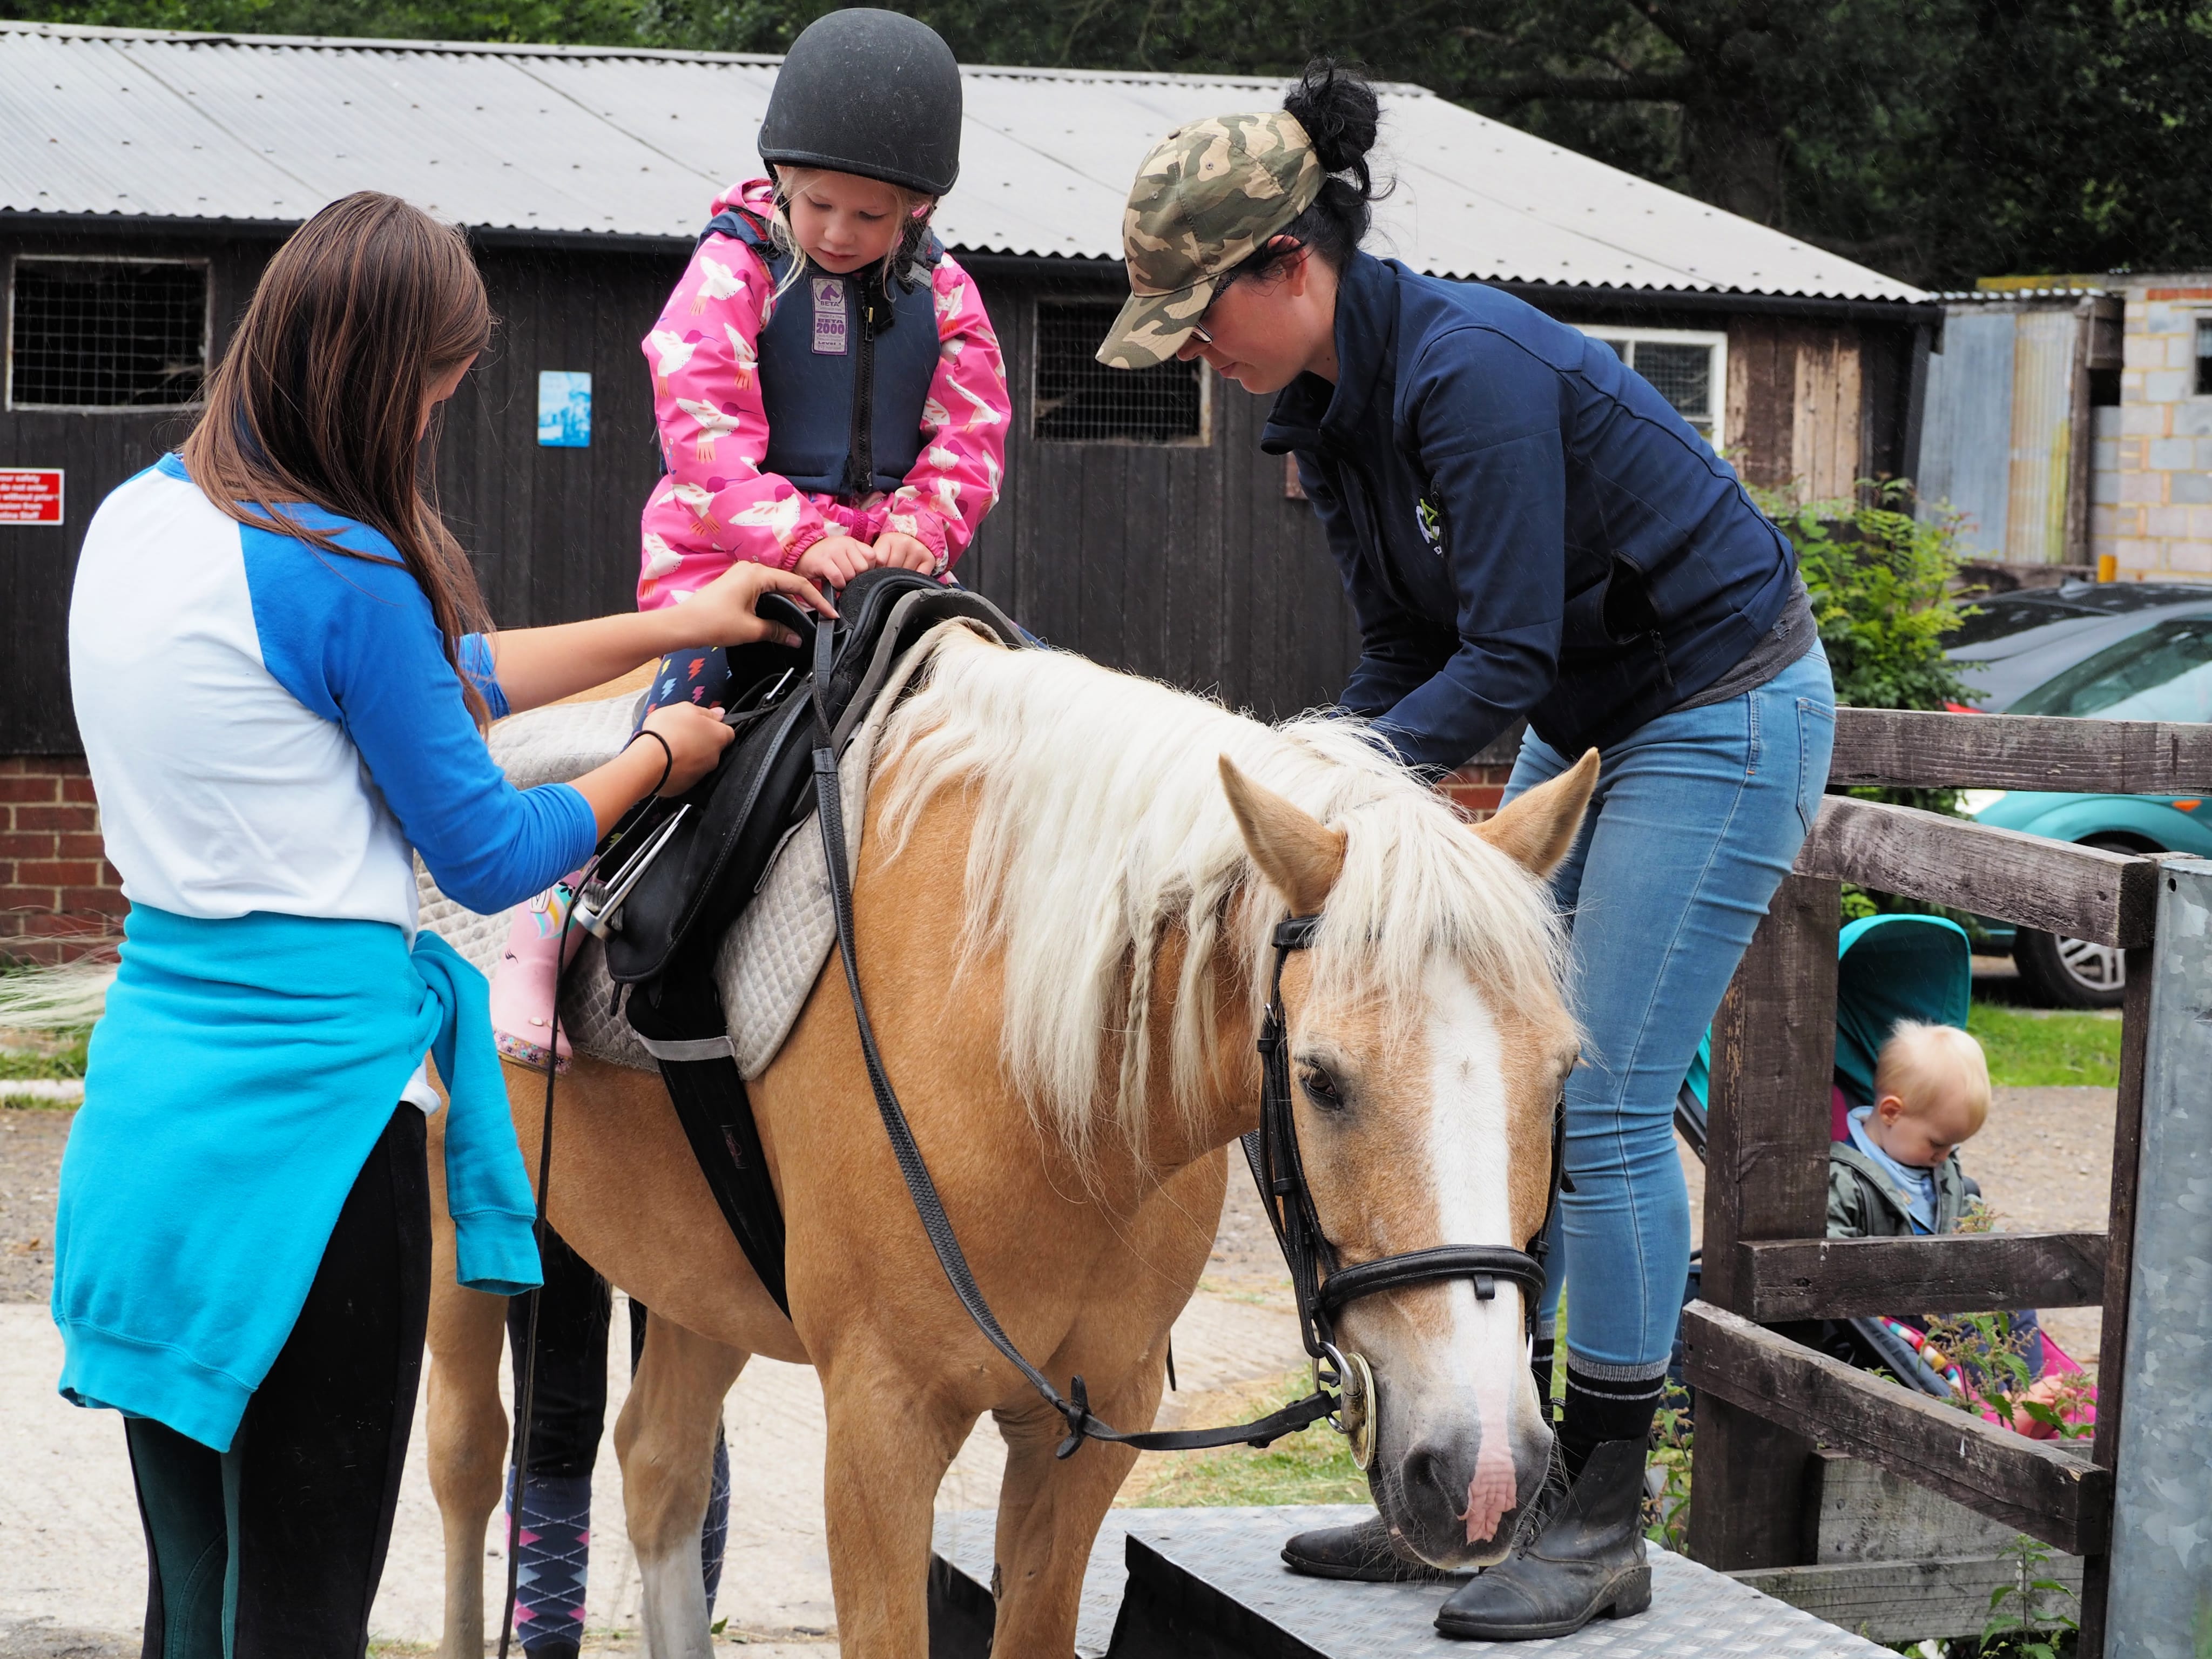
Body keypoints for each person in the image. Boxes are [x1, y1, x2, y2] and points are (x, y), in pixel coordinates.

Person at [1098, 58, 1836, 1641]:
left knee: (1613, 1094)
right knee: (1505, 1081)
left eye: (1203, 321)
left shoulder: (1467, 371)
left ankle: (1605, 1513)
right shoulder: (1329, 418)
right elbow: (1391, 663)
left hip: (1723, 706)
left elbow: (1493, 659)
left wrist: (1338, 790)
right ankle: (1483, 1484)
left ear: (1290, 267)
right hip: (1599, 720)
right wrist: (1310, 775)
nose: (1203, 361)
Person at [52, 190, 830, 1659]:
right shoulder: (343, 573)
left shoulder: (144, 519)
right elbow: (485, 851)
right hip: (314, 1143)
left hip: (149, 1121)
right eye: (431, 393)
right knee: (302, 1616)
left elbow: (433, 673)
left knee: (193, 1605)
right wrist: (657, 761)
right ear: (373, 375)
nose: (427, 426)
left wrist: (675, 623)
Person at [488, 5, 1009, 1073]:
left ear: (918, 209)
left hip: (879, 571)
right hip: (733, 561)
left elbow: (973, 429)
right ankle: (540, 928)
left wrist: (920, 525)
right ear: (779, 176)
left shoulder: (944, 291)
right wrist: (795, 534)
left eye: (872, 216)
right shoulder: (733, 268)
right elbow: (701, 422)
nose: (838, 234)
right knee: (680, 728)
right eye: (820, 205)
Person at [1830, 1019, 1990, 1238]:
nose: (1944, 1156)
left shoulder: (1939, 1167)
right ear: (1891, 1113)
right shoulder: (1843, 1182)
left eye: (1953, 1144)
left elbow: (1966, 1213)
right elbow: (1832, 1254)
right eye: (1937, 1143)